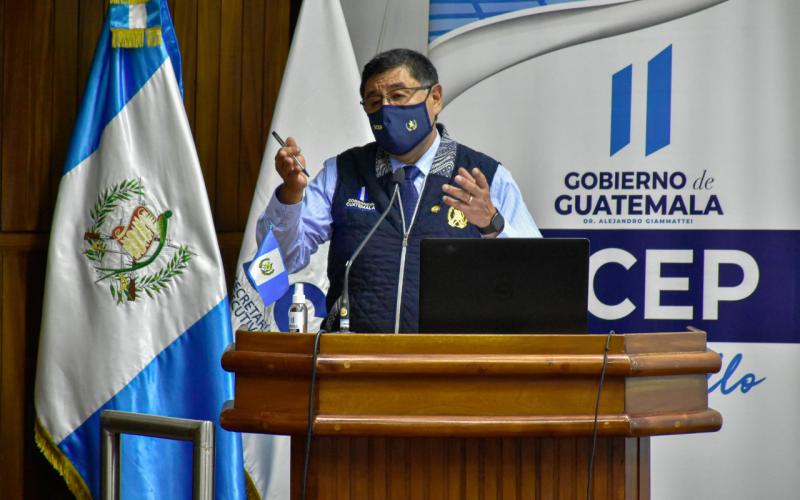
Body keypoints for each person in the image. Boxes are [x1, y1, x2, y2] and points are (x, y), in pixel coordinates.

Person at [257, 48, 541, 333]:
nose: (386, 109)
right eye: (374, 101)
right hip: (353, 364)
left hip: (453, 365)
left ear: (435, 98)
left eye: (398, 95)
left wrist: (492, 224)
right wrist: (290, 195)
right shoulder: (343, 172)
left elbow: (537, 279)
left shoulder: (485, 177)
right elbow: (278, 261)